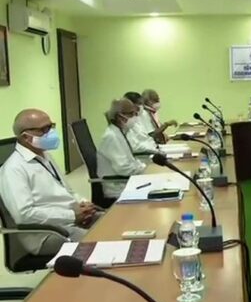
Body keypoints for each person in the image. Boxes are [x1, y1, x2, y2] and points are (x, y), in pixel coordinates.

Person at [0, 109, 95, 255]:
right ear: (26, 137)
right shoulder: (13, 169)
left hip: (70, 219)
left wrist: (83, 203)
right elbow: (25, 215)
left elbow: (67, 190)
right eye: (44, 129)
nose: (51, 133)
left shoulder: (45, 156)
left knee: (112, 221)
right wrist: (71, 215)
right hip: (47, 233)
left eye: (51, 126)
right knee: (100, 240)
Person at [98, 98, 147, 199]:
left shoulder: (119, 132)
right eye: (131, 114)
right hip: (118, 186)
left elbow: (130, 161)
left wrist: (142, 167)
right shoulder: (111, 136)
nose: (135, 117)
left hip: (126, 182)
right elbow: (123, 168)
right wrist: (143, 169)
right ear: (120, 117)